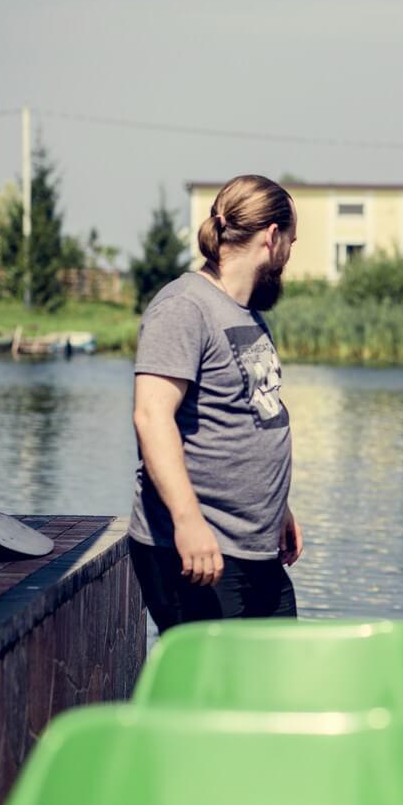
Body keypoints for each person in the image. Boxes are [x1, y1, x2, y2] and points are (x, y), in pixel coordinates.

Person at [128, 174, 303, 634]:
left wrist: (277, 507)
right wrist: (188, 523)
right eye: (291, 242)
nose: (289, 254)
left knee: (277, 687)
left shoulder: (245, 313)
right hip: (197, 549)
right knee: (212, 700)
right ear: (271, 238)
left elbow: (253, 411)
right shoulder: (184, 307)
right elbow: (151, 416)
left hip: (256, 547)